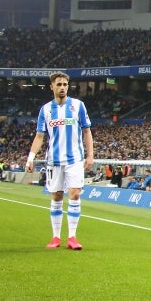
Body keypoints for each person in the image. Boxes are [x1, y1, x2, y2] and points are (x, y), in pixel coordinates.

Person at [25, 72, 94, 251]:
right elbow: (40, 136)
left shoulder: (78, 106)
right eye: (59, 84)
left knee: (75, 194)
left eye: (65, 84)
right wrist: (31, 158)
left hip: (75, 159)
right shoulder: (45, 110)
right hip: (54, 160)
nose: (62, 87)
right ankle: (56, 237)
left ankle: (72, 237)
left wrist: (90, 155)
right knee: (56, 196)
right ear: (52, 87)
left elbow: (87, 131)